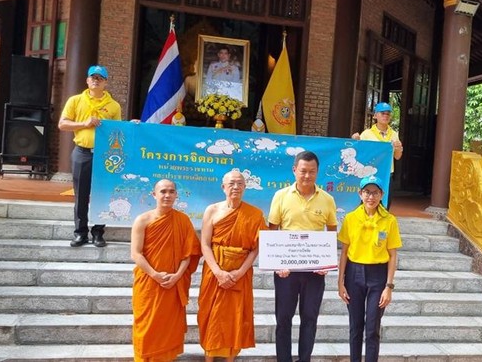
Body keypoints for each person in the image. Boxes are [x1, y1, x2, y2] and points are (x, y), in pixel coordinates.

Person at [268, 151, 338, 362]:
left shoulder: (327, 199)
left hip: (314, 271)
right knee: (283, 318)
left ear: (317, 172)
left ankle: (304, 358)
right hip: (286, 271)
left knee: (310, 317)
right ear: (294, 171)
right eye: (303, 171)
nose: (307, 176)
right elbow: (273, 230)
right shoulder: (281, 196)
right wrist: (277, 263)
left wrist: (327, 261)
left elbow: (332, 231)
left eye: (312, 172)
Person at [197, 170, 268, 361]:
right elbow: (205, 243)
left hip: (241, 272)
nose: (235, 187)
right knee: (211, 313)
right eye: (231, 184)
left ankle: (230, 356)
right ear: (223, 187)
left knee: (235, 315)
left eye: (239, 184)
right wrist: (218, 272)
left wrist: (240, 272)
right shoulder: (212, 210)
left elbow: (256, 247)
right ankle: (209, 355)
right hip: (214, 271)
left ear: (245, 187)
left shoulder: (254, 214)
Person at [130, 179, 202, 362]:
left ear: (176, 195)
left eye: (171, 191)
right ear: (154, 195)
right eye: (163, 191)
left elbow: (189, 253)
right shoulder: (142, 220)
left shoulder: (182, 220)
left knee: (168, 326)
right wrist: (155, 274)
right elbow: (136, 254)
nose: (167, 195)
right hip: (149, 281)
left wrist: (177, 276)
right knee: (146, 324)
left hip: (173, 283)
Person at [337, 175, 402, 362]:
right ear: (360, 193)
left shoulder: (389, 220)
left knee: (372, 327)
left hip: (378, 275)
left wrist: (388, 287)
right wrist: (340, 282)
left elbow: (392, 254)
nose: (370, 197)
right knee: (355, 326)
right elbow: (344, 252)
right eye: (367, 192)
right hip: (354, 273)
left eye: (375, 192)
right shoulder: (350, 218)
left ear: (382, 195)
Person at [58, 65, 122, 247]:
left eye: (100, 78)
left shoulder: (113, 106)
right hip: (82, 152)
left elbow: (117, 131)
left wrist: (132, 126)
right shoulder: (75, 101)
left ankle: (98, 232)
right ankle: (80, 232)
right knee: (81, 195)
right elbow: (62, 125)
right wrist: (84, 124)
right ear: (87, 80)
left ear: (105, 83)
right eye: (93, 77)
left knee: (102, 194)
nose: (96, 80)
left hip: (104, 155)